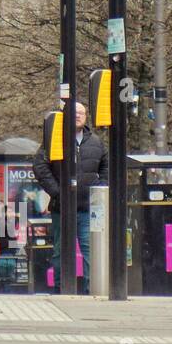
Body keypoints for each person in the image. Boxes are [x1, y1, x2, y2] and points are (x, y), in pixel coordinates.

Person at [33, 101, 107, 294]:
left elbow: (107, 166)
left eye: (81, 113)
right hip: (62, 208)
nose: (78, 116)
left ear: (86, 116)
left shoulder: (96, 142)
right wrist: (57, 192)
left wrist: (98, 189)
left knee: (90, 250)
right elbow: (40, 167)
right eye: (74, 113)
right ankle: (61, 289)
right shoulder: (55, 139)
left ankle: (92, 290)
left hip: (87, 208)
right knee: (60, 251)